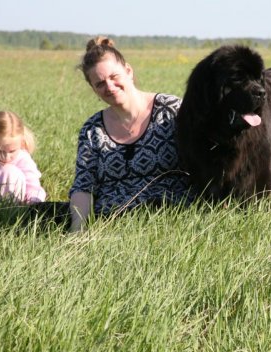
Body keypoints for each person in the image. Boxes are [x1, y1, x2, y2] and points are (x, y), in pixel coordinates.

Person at [68, 36, 192, 232]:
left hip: (173, 221)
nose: (109, 86)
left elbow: (206, 158)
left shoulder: (171, 109)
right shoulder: (92, 129)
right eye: (99, 83)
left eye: (114, 77)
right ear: (93, 89)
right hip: (110, 224)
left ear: (128, 71)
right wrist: (78, 231)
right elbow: (84, 186)